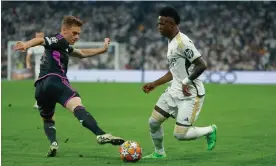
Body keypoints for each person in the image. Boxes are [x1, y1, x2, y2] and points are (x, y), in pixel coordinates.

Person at [13, 16, 125, 157]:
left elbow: (82, 53)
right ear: (64, 30)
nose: (77, 36)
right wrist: (26, 44)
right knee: (77, 105)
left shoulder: (64, 46)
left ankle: (53, 143)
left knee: (48, 119)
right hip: (56, 80)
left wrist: (102, 50)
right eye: (74, 33)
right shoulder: (58, 39)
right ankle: (100, 134)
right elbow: (41, 40)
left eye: (79, 33)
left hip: (40, 87)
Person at [142, 7, 217, 159]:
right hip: (174, 91)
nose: (159, 27)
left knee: (180, 135)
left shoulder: (183, 42)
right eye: (158, 23)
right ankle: (159, 153)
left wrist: (186, 81)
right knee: (153, 122)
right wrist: (155, 83)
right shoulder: (171, 42)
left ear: (171, 24)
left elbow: (202, 65)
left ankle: (210, 130)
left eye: (161, 24)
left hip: (190, 94)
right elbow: (174, 71)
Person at [25, 32, 45, 109]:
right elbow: (28, 55)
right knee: (39, 84)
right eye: (37, 36)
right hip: (38, 68)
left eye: (40, 36)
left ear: (43, 36)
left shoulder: (47, 45)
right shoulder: (33, 46)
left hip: (48, 67)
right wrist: (28, 64)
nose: (39, 37)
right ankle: (38, 102)